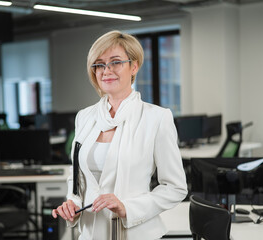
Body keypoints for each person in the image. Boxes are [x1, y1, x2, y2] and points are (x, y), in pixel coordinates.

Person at [52, 30, 188, 239]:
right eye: (99, 64)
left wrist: (128, 208)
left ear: (134, 66)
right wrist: (72, 204)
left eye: (115, 62)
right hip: (90, 233)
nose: (106, 71)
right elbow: (77, 177)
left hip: (135, 233)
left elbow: (175, 188)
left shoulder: (157, 118)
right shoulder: (85, 117)